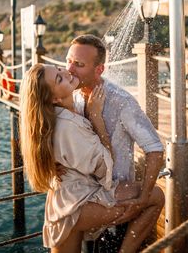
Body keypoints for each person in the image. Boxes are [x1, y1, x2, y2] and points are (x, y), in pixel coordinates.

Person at [19, 63, 165, 253]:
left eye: (59, 68)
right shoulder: (68, 125)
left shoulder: (58, 115)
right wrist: (97, 118)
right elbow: (105, 168)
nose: (67, 71)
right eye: (59, 78)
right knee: (155, 196)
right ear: (54, 98)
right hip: (78, 205)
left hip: (64, 201)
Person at [65, 34, 165, 252]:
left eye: (79, 65)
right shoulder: (71, 95)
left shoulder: (121, 101)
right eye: (69, 61)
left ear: (99, 69)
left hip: (114, 196)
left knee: (155, 198)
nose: (70, 70)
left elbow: (155, 150)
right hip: (82, 194)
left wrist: (143, 197)